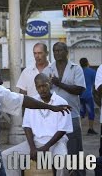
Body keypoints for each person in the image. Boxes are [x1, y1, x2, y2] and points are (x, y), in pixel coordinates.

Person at [2, 73, 73, 176]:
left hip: (56, 143)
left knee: (62, 160)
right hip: (35, 142)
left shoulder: (61, 102)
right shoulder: (32, 102)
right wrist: (32, 148)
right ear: (36, 87)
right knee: (6, 155)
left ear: (50, 84)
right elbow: (27, 127)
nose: (42, 89)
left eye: (44, 85)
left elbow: (62, 130)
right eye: (39, 87)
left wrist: (46, 147)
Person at [42, 42, 86, 176]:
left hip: (71, 115)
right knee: (54, 148)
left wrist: (59, 83)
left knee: (74, 149)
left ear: (66, 52)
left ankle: (77, 173)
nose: (57, 53)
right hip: (52, 117)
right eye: (55, 51)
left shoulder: (76, 68)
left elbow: (79, 89)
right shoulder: (47, 70)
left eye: (60, 50)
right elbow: (42, 91)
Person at [79, 58, 97, 134]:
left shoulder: (79, 72)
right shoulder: (92, 72)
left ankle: (78, 129)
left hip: (79, 95)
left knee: (80, 112)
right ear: (87, 63)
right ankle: (90, 129)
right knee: (91, 112)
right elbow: (96, 84)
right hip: (88, 95)